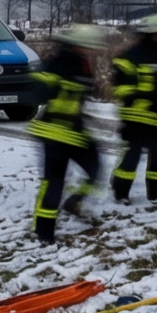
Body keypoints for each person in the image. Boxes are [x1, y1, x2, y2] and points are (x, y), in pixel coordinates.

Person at [29, 24, 110, 244]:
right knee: (53, 182)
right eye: (90, 48)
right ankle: (43, 232)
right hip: (54, 132)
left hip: (75, 132)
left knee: (95, 169)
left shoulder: (83, 64)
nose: (94, 52)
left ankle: (73, 202)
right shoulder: (60, 63)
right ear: (79, 46)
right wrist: (50, 85)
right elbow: (39, 90)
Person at [111, 13, 157, 204]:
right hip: (138, 116)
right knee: (131, 157)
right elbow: (121, 87)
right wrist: (148, 95)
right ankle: (121, 193)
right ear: (153, 34)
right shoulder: (131, 56)